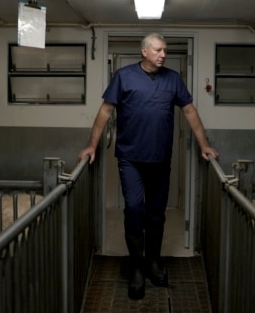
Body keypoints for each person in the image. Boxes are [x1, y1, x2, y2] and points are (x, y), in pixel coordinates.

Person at [77, 32, 218, 300]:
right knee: (134, 209)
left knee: (156, 214)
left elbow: (189, 111)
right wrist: (92, 146)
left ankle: (153, 262)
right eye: (158, 50)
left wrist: (204, 145)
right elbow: (105, 112)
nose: (163, 54)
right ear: (144, 51)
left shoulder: (173, 79)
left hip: (160, 159)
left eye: (165, 50)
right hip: (130, 159)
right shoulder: (124, 76)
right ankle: (137, 268)